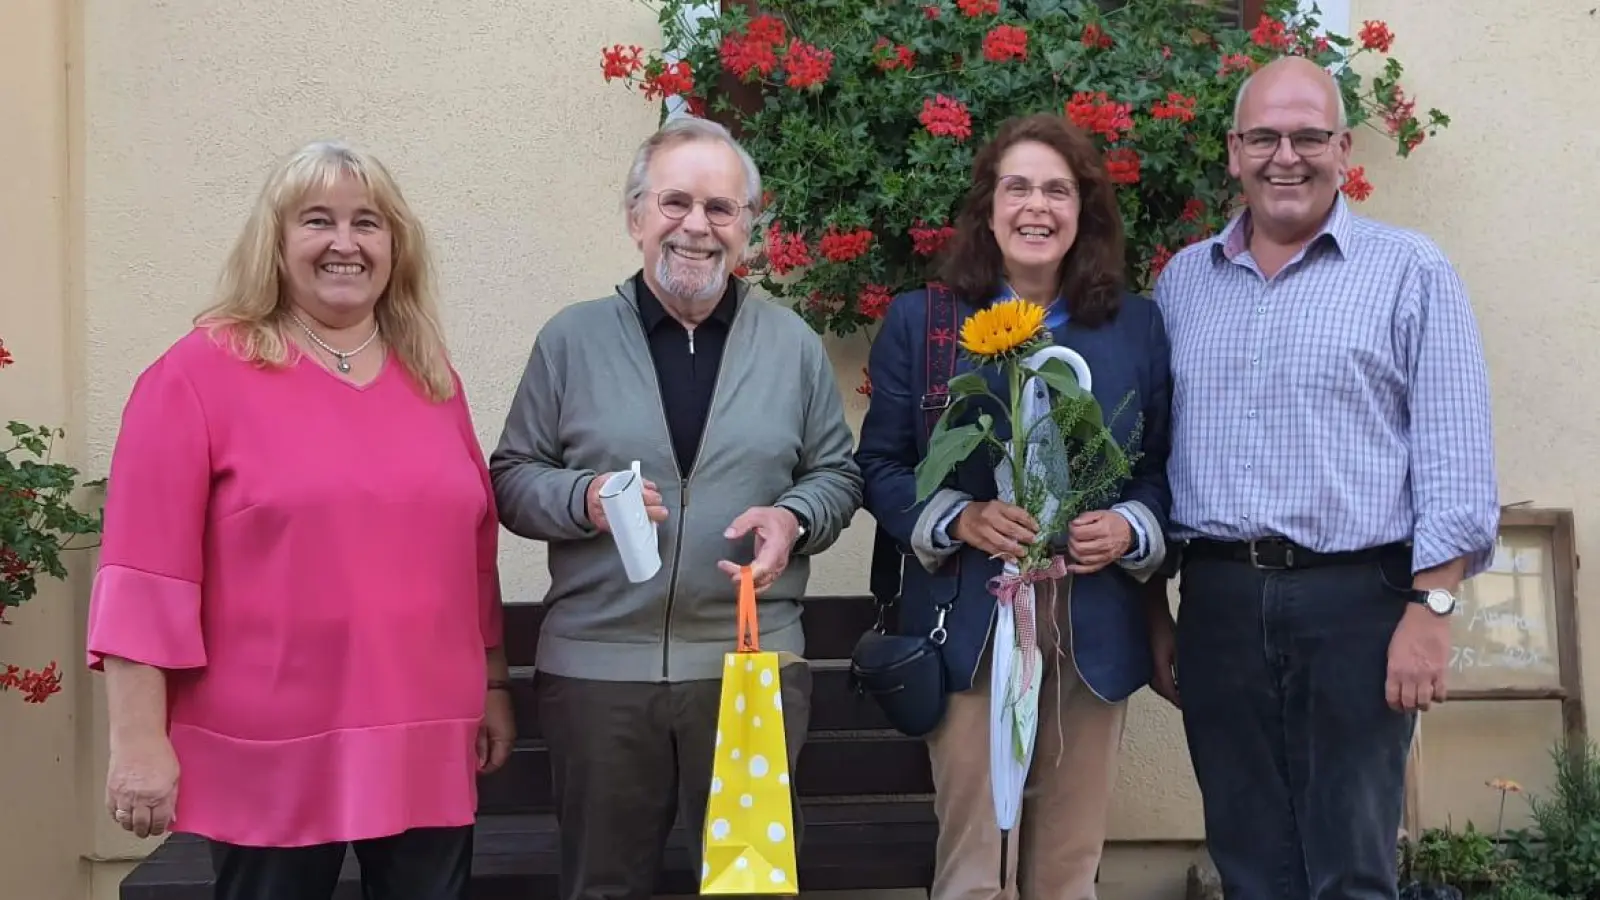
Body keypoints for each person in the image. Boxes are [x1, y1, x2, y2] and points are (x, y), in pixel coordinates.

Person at [85, 140, 512, 900]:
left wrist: (494, 685)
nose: (345, 243)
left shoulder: (432, 377)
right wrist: (137, 743)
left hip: (426, 735)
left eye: (368, 224)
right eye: (319, 221)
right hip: (267, 752)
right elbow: (144, 576)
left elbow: (471, 556)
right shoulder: (194, 375)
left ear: (395, 247)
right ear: (276, 245)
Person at [488, 115, 863, 900]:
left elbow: (836, 473)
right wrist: (582, 498)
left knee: (745, 889)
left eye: (721, 209)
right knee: (603, 886)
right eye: (675, 202)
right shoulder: (572, 339)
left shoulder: (790, 344)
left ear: (748, 230)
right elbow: (514, 477)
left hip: (748, 669)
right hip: (598, 673)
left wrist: (793, 518)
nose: (697, 225)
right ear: (635, 217)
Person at [1151, 56, 1499, 900]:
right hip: (1220, 603)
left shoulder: (1410, 273)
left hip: (1359, 607)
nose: (1286, 157)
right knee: (1249, 863)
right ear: (1233, 152)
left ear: (1342, 147)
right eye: (1264, 137)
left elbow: (1456, 465)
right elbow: (1152, 456)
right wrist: (1153, 612)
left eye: (1308, 137)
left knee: (1350, 868)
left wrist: (1432, 609)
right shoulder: (1181, 284)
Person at [855, 112, 1174, 900]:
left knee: (1068, 870)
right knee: (973, 865)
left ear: (1084, 212)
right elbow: (881, 467)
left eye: (1058, 190)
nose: (1038, 206)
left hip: (1093, 625)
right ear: (989, 208)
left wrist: (1131, 527)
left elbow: (1163, 470)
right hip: (970, 619)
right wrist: (958, 518)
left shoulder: (1135, 326)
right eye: (1019, 187)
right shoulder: (924, 323)